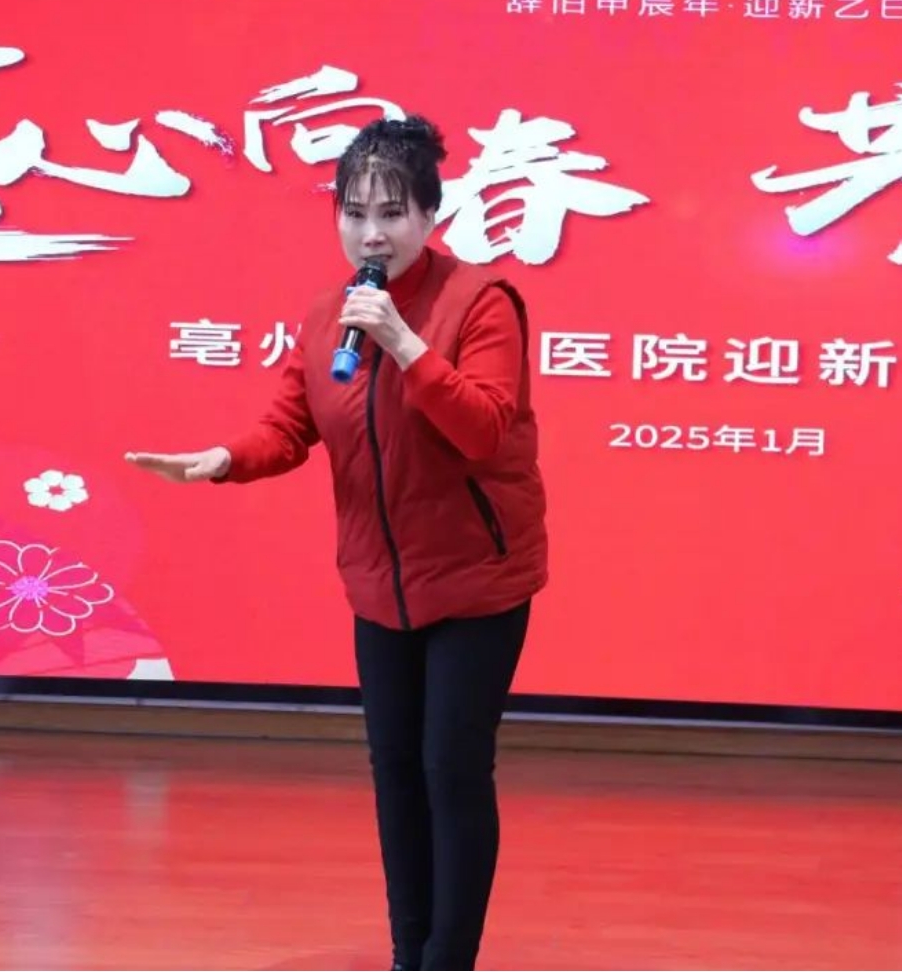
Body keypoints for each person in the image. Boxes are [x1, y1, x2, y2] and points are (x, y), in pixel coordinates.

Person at [125, 114, 548, 971]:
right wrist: (221, 460)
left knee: (451, 769)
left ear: (429, 215)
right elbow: (289, 427)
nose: (371, 233)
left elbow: (482, 429)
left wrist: (405, 343)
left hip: (477, 580)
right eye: (355, 213)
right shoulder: (329, 317)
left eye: (392, 213)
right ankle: (407, 953)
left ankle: (448, 961)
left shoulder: (482, 303)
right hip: (379, 586)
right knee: (395, 771)